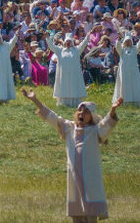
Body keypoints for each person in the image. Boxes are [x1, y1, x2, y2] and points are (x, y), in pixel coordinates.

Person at [22, 88, 122, 223]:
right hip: (74, 179)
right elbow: (52, 116)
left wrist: (113, 110)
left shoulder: (95, 131)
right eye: (80, 111)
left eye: (86, 112)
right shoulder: (69, 128)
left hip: (90, 179)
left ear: (91, 116)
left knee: (91, 211)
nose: (82, 113)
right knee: (77, 213)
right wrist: (35, 100)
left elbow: (106, 123)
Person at [51, 33, 87, 107]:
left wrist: (88, 36)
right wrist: (48, 39)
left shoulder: (77, 50)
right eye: (66, 41)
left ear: (72, 43)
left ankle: (74, 102)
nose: (68, 43)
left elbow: (84, 44)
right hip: (63, 74)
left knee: (73, 86)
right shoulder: (60, 50)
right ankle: (63, 103)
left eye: (69, 42)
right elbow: (51, 46)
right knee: (64, 86)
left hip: (74, 74)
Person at [112, 35, 140, 108]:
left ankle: (135, 101)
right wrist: (118, 41)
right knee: (124, 85)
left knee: (134, 85)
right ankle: (124, 101)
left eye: (129, 41)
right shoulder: (122, 50)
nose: (128, 43)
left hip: (133, 71)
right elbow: (118, 47)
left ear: (131, 42)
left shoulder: (134, 49)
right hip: (124, 71)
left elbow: (139, 45)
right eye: (126, 41)